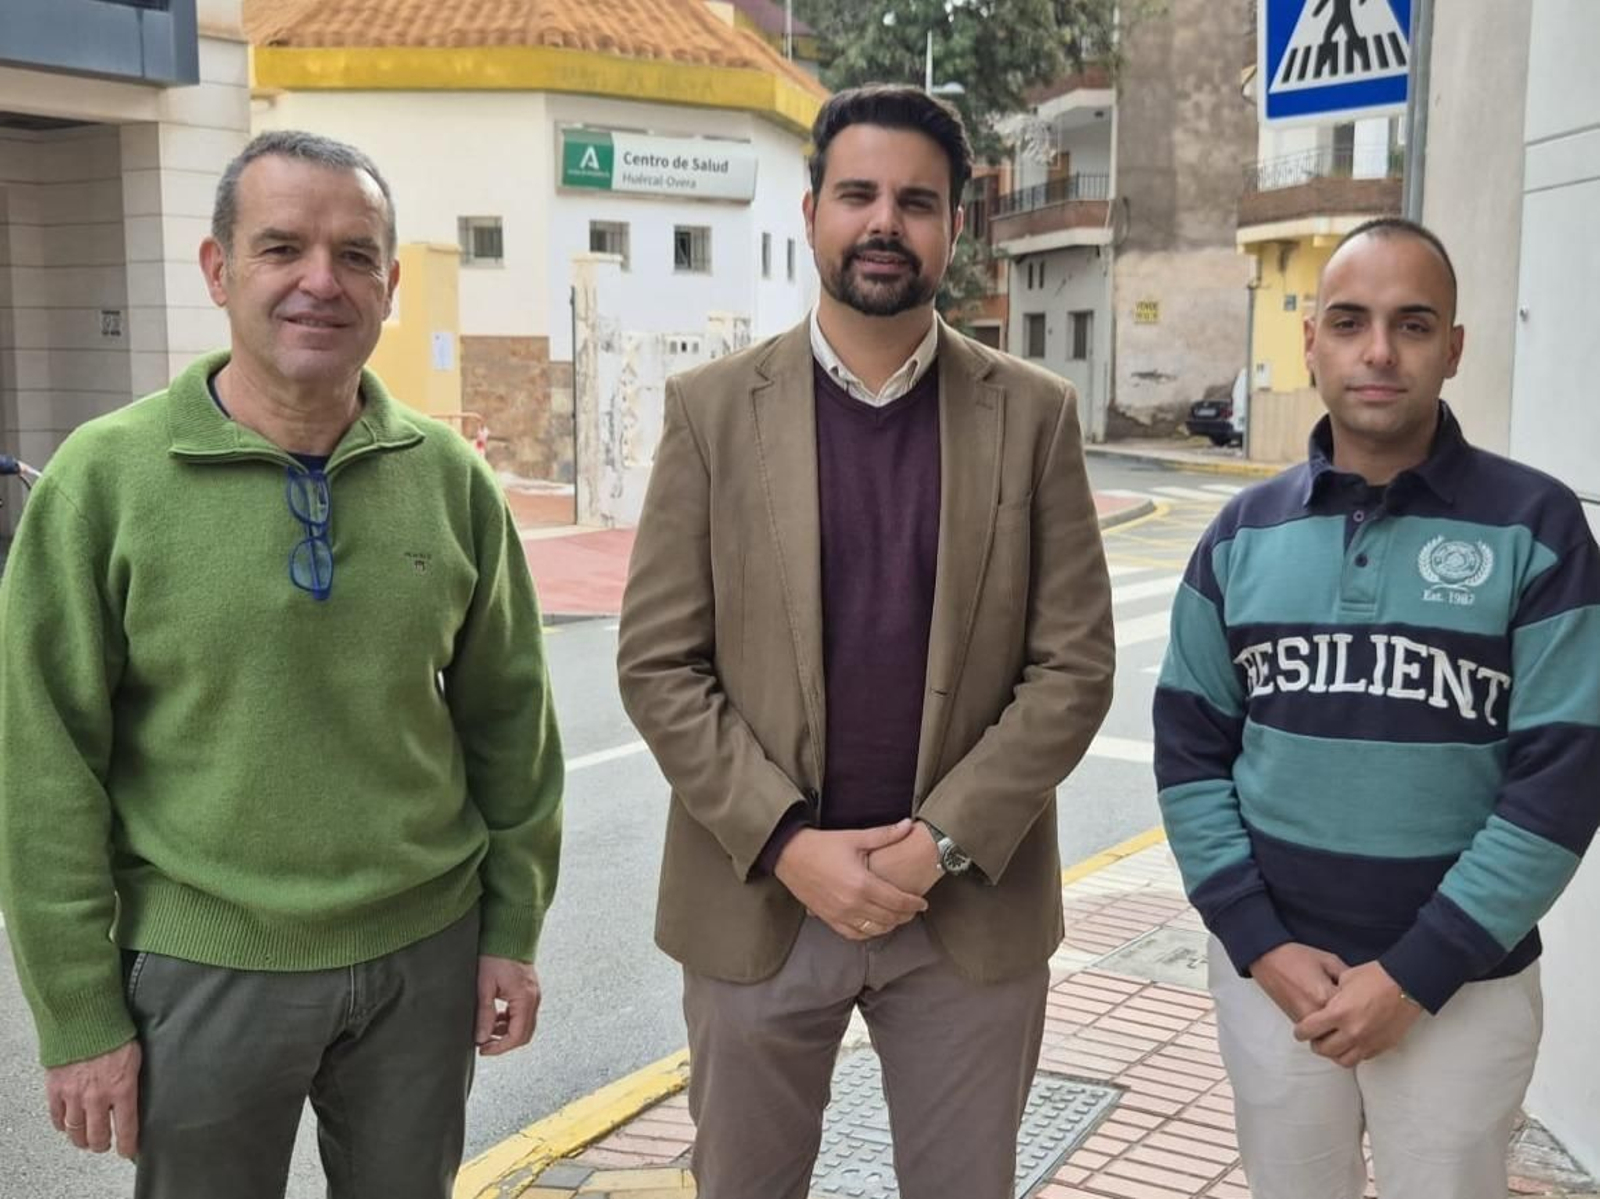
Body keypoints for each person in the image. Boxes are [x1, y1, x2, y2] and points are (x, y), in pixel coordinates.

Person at [0, 130, 563, 1199]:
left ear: (391, 285)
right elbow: (43, 770)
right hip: (203, 967)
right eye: (282, 248)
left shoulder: (448, 480)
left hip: (423, 954)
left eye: (356, 255)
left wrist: (511, 929)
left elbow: (511, 723)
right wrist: (78, 1013)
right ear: (218, 271)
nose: (321, 279)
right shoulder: (102, 482)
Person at [616, 84, 1115, 1199]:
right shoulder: (709, 411)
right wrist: (791, 842)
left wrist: (931, 845)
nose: (884, 222)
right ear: (810, 215)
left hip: (966, 911)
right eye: (858, 195)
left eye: (917, 201)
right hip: (758, 902)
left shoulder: (1033, 414)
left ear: (954, 227)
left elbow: (1073, 667)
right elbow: (659, 663)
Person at [1154, 216, 1600, 1199]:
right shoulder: (1238, 533)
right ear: (1308, 339)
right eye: (1349, 321)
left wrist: (1414, 971)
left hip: (1462, 987)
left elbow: (1563, 776)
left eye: (1412, 323)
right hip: (1276, 978)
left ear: (1452, 346)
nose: (1378, 351)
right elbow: (1188, 751)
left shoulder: (1537, 527)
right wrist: (1257, 942)